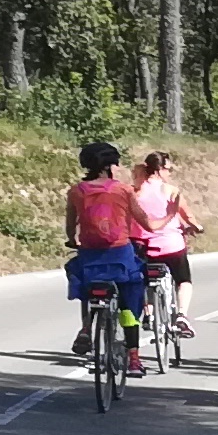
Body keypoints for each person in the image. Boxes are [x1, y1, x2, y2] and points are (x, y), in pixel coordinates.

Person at [64, 139, 149, 360]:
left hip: (90, 255)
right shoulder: (123, 190)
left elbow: (71, 225)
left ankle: (85, 328)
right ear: (109, 165)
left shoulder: (76, 191)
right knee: (131, 298)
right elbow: (140, 218)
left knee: (84, 282)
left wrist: (72, 240)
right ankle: (134, 358)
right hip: (121, 254)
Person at [130, 150, 194, 340]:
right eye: (168, 169)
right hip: (170, 246)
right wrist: (196, 227)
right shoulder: (171, 191)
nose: (170, 173)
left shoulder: (134, 191)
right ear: (159, 170)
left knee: (143, 281)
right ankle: (182, 315)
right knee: (184, 281)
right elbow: (187, 215)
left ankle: (148, 314)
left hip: (142, 246)